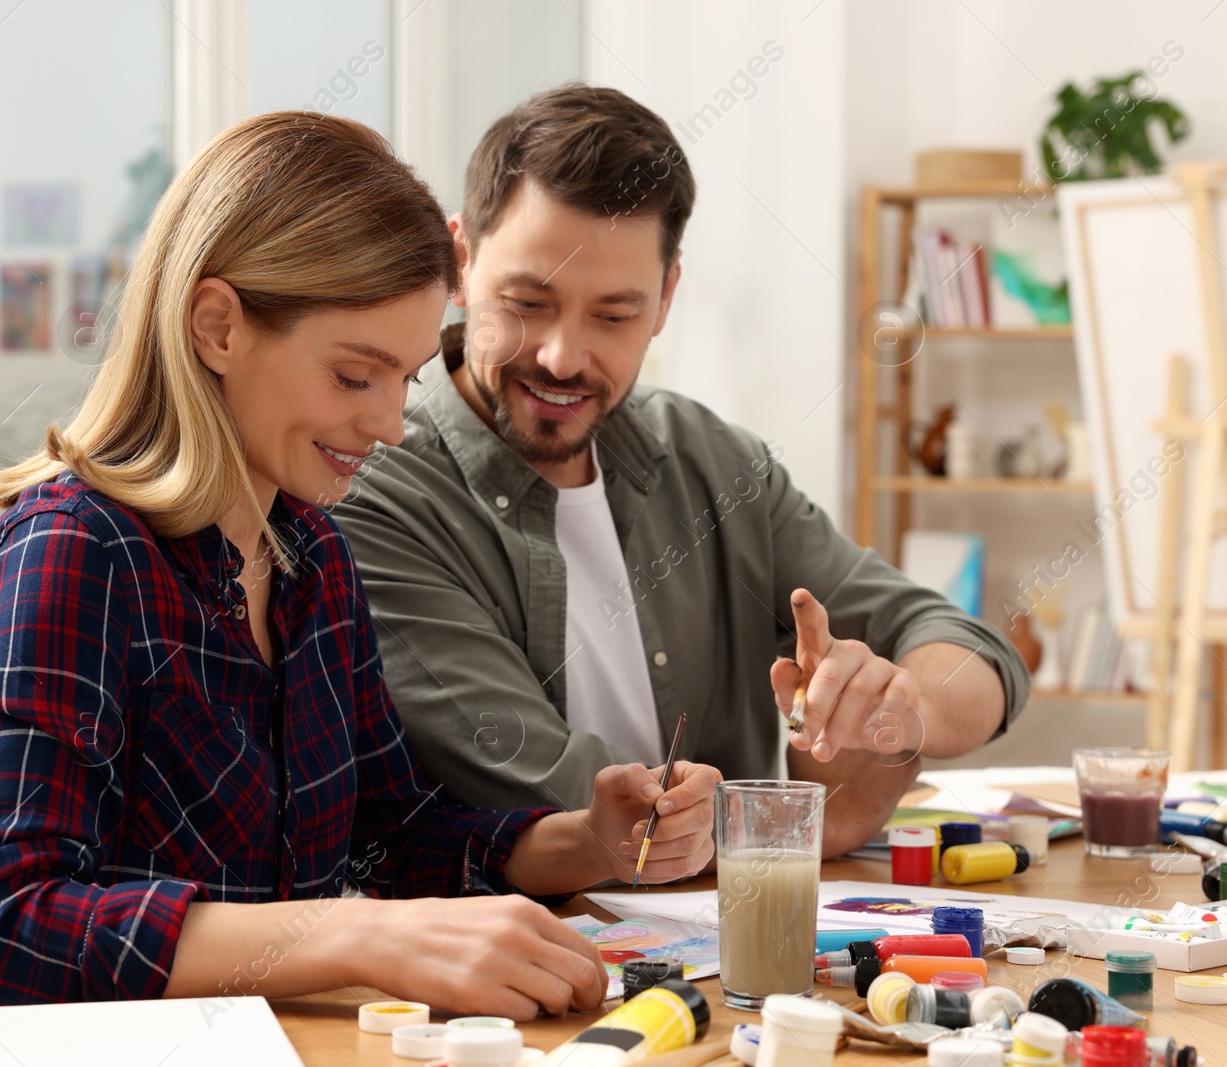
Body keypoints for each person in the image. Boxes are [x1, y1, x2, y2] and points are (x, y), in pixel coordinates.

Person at [0, 111, 717, 1016]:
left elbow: (394, 833)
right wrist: (352, 933)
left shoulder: (312, 558)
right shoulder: (68, 556)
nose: (387, 424)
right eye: (353, 376)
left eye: (406, 378)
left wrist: (587, 841)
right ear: (217, 326)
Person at [332, 85, 1030, 860]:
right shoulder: (375, 491)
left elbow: (972, 651)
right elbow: (559, 795)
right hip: (531, 960)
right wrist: (807, 808)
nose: (564, 355)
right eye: (528, 301)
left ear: (666, 297)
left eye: (614, 314)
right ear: (459, 264)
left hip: (739, 949)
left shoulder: (714, 461)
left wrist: (897, 704)